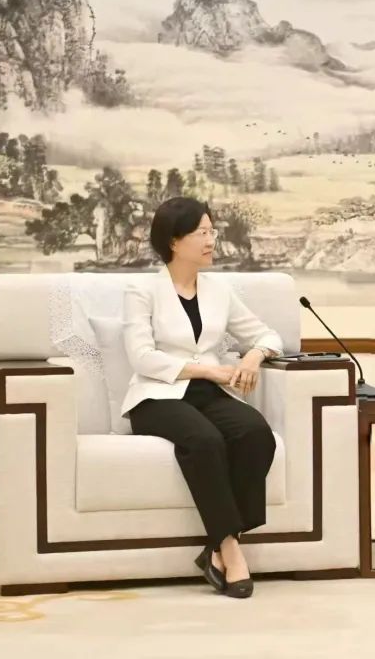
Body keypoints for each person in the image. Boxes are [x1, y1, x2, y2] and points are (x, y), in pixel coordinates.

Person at [119, 197, 283, 599]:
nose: (212, 240)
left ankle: (214, 549)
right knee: (205, 440)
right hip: (156, 396)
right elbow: (141, 357)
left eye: (212, 231)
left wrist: (254, 356)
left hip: (208, 394)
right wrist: (209, 370)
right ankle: (229, 548)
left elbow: (266, 334)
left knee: (255, 433)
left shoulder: (218, 290)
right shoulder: (141, 290)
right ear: (175, 241)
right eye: (202, 233)